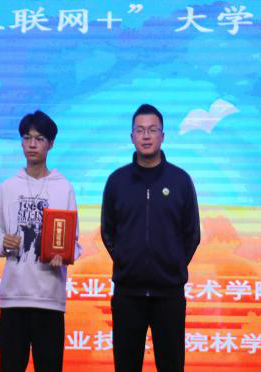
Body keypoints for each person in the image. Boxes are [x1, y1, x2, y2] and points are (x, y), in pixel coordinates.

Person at [101, 104, 201, 372]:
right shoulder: (117, 181)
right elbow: (108, 231)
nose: (146, 136)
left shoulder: (180, 180)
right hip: (127, 293)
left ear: (162, 136)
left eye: (152, 130)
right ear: (132, 136)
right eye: (140, 130)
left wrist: (171, 263)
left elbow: (192, 234)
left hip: (169, 294)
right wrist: (127, 260)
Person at [0, 110, 80, 372]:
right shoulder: (8, 187)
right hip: (13, 298)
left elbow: (73, 242)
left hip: (49, 299)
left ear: (50, 144)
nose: (32, 144)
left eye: (39, 139)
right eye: (27, 138)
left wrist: (64, 256)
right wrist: (2, 242)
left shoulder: (64, 188)